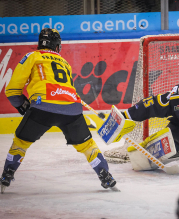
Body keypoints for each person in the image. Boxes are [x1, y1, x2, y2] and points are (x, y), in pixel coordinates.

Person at [0, 28, 116, 193]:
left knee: (21, 142)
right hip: (72, 109)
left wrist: (22, 106)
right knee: (88, 145)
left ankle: (7, 174)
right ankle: (104, 174)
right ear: (56, 46)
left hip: (42, 108)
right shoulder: (64, 62)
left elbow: (11, 91)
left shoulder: (32, 57)